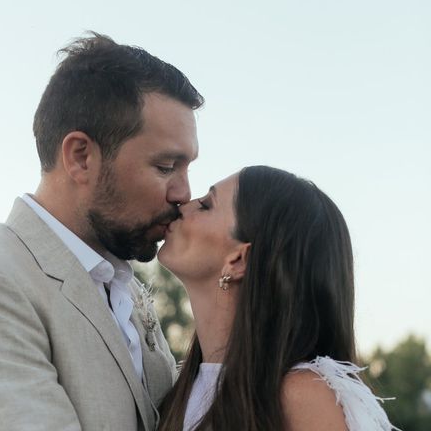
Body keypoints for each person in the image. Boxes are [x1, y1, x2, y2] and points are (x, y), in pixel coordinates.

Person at [0, 33, 204, 430]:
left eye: (186, 168)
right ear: (81, 157)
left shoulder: (126, 289)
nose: (184, 194)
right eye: (165, 167)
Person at [157, 166, 399, 431]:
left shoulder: (304, 398)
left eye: (205, 205)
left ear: (239, 260)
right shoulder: (180, 390)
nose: (183, 204)